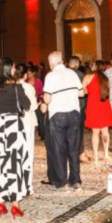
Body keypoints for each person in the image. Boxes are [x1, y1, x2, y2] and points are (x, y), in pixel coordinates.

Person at [0, 57, 32, 216]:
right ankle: (15, 203)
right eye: (12, 68)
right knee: (14, 162)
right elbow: (27, 105)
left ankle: (0, 202)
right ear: (7, 69)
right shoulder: (17, 88)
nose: (14, 70)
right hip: (13, 127)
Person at [43, 51, 84, 192]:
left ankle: (62, 182)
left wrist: (45, 98)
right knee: (73, 148)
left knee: (59, 149)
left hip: (58, 115)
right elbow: (81, 93)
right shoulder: (72, 74)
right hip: (73, 114)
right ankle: (75, 181)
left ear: (52, 63)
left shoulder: (51, 76)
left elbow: (47, 99)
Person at [82, 60, 112, 167]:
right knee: (105, 132)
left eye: (93, 64)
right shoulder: (106, 79)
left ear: (95, 66)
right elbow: (108, 91)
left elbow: (83, 91)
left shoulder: (88, 77)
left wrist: (90, 91)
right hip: (104, 104)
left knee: (95, 132)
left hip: (93, 105)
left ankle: (96, 157)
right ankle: (105, 154)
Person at [16, 63, 39, 192]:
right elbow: (33, 106)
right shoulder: (28, 87)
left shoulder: (9, 87)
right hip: (27, 121)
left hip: (14, 121)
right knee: (28, 152)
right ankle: (27, 185)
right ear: (25, 75)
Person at [67, 56, 88, 163]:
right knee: (78, 131)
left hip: (65, 106)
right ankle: (80, 153)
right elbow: (84, 92)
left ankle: (67, 153)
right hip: (79, 106)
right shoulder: (81, 75)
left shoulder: (62, 74)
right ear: (77, 64)